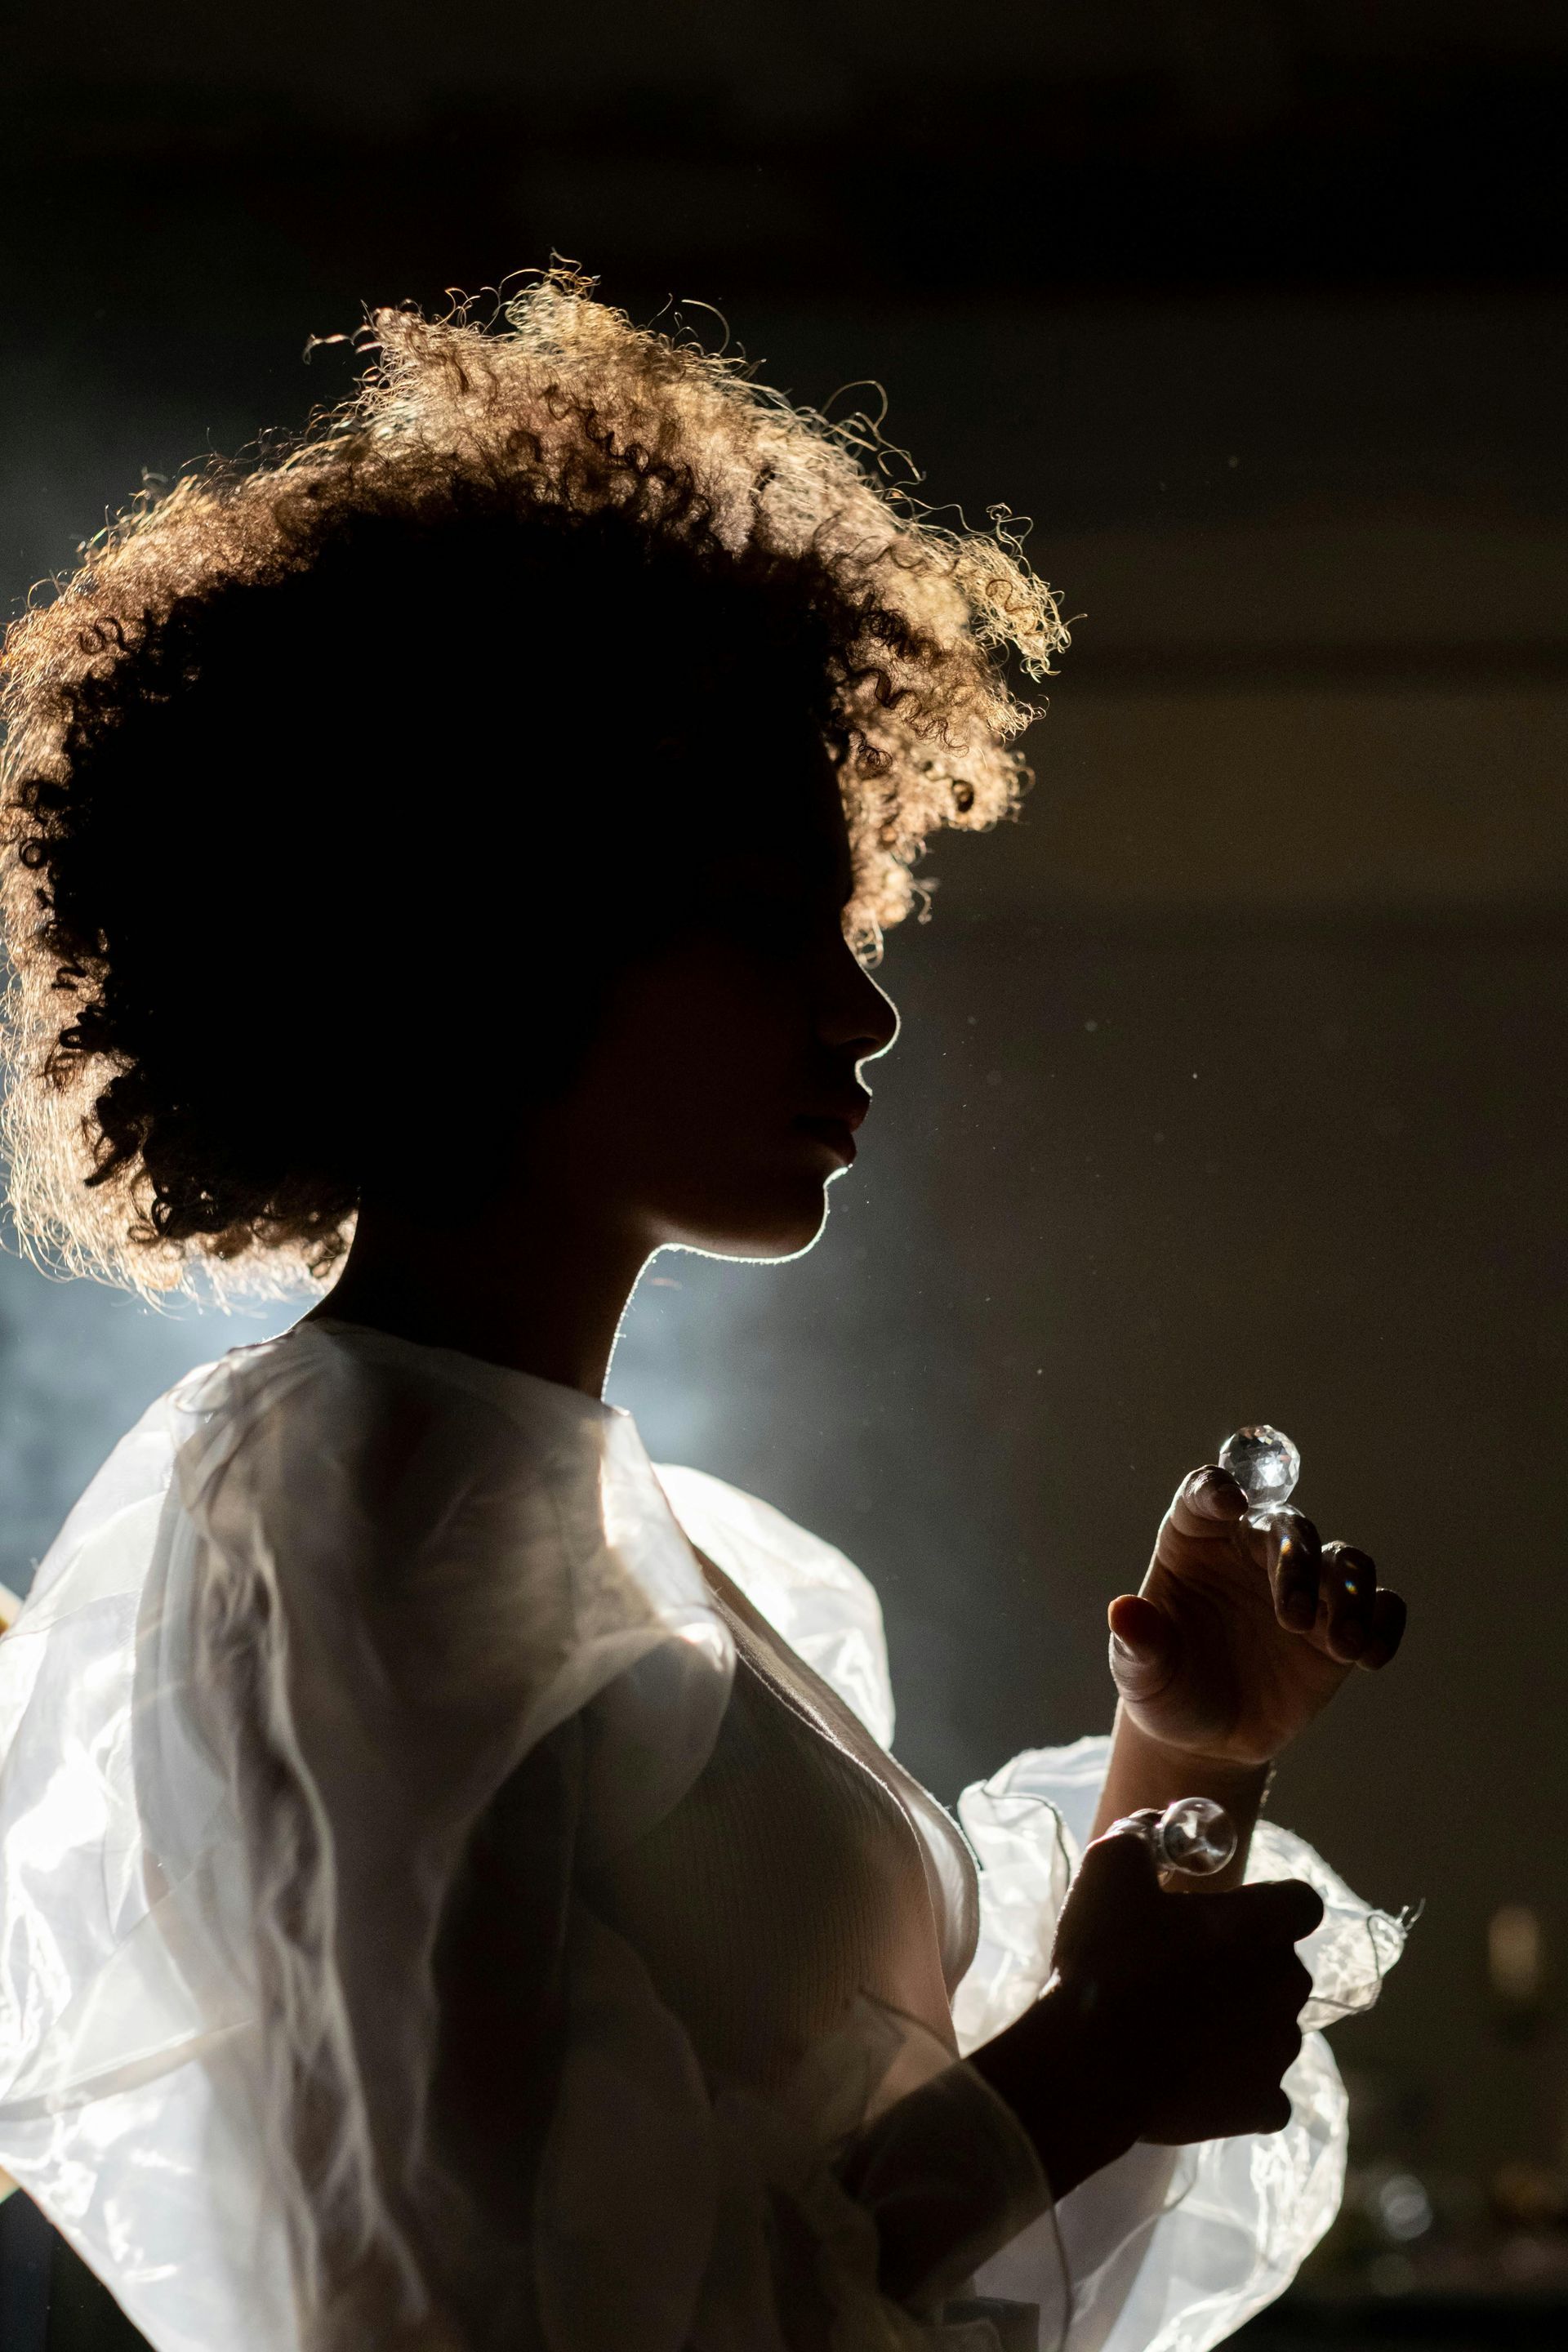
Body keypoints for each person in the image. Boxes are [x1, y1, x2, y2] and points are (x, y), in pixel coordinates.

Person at [0, 271, 1407, 2352]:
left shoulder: (570, 1520)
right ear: (489, 919)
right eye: (765, 927)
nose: (867, 1006)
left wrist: (1183, 1754)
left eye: (848, 920)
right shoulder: (356, 1509)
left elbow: (956, 2265)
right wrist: (1085, 2072)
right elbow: (471, 2323)